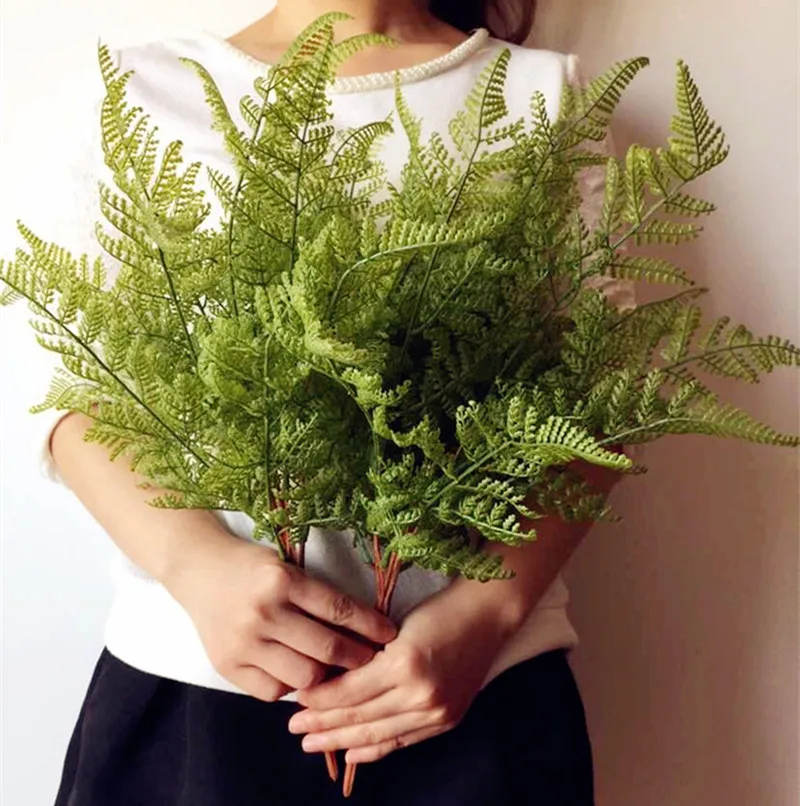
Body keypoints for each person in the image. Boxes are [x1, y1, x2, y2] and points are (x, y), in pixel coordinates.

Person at [29, 1, 635, 803]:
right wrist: (195, 566)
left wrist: (487, 612)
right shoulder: (145, 89)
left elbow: (605, 395)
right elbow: (75, 390)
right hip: (192, 697)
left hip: (476, 696)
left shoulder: (543, 94)